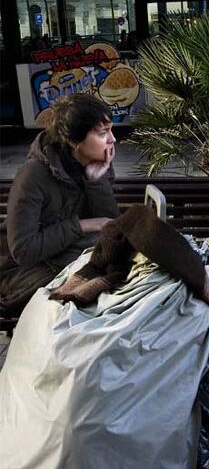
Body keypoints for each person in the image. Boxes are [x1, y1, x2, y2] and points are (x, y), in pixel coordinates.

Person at [0, 93, 120, 317]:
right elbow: (23, 250)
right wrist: (82, 225)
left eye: (111, 130)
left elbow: (108, 223)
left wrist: (96, 181)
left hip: (72, 260)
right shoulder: (33, 175)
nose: (112, 139)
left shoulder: (97, 165)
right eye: (103, 133)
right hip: (25, 275)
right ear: (74, 141)